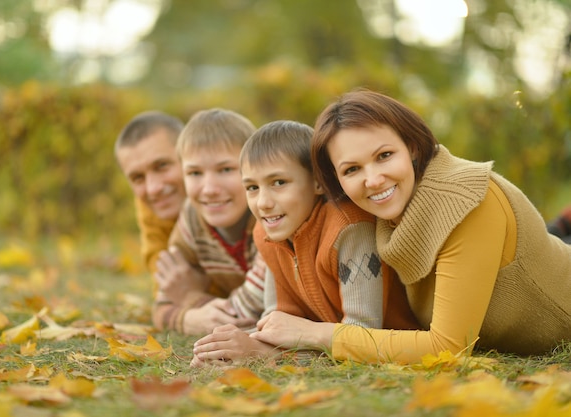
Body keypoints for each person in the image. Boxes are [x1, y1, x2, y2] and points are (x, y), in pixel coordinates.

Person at [249, 89, 571, 364]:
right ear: (335, 181)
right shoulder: (385, 214)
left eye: (384, 155)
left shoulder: (468, 202)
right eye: (352, 169)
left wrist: (313, 334)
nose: (373, 180)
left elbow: (447, 348)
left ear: (412, 147)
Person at [191, 120, 418, 367]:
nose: (263, 202)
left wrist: (265, 355)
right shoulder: (267, 235)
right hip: (332, 340)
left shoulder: (349, 230)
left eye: (279, 183)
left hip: (396, 344)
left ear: (318, 183)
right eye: (252, 187)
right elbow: (275, 321)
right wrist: (230, 348)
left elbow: (362, 336)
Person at [152, 108, 266, 336]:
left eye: (225, 169)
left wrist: (191, 299)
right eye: (194, 173)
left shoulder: (268, 215)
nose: (210, 189)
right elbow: (161, 304)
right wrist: (187, 320)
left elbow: (253, 309)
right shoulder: (192, 219)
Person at [115, 111, 195, 295]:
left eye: (161, 166)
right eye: (137, 178)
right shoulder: (150, 207)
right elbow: (165, 287)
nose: (153, 189)